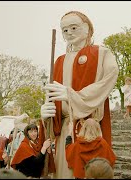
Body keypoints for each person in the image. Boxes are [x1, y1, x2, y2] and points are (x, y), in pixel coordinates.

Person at [40, 11, 118, 179]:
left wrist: (72, 95)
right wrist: (46, 113)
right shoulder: (59, 61)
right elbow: (52, 95)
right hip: (65, 131)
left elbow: (109, 77)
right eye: (65, 30)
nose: (69, 33)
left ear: (87, 28)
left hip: (90, 130)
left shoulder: (102, 53)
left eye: (74, 27)